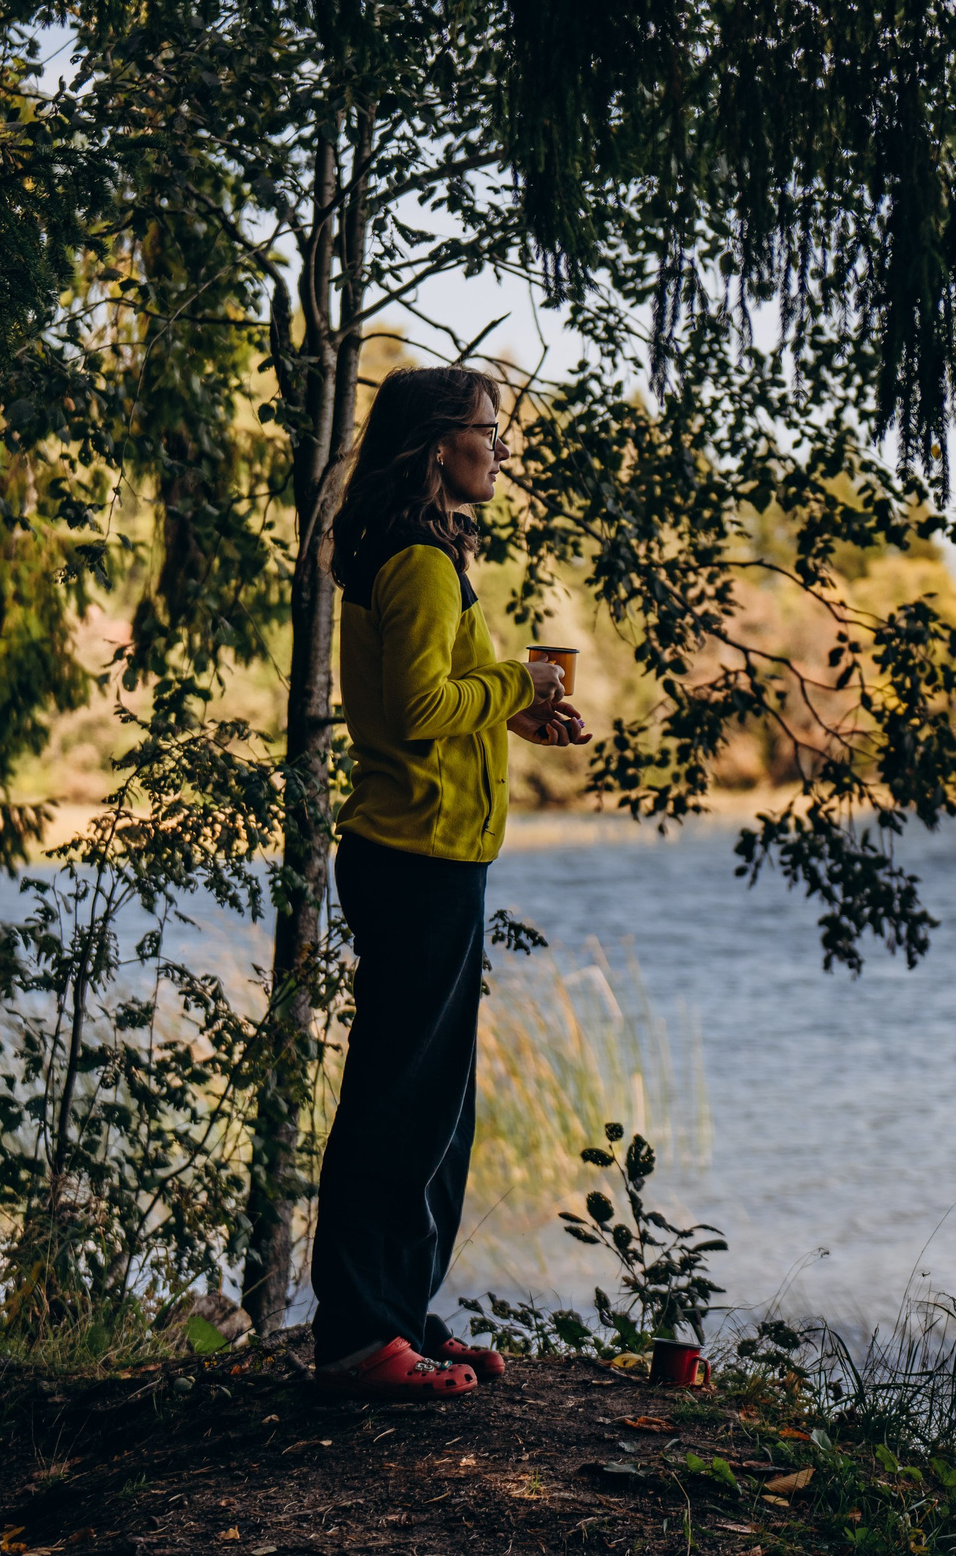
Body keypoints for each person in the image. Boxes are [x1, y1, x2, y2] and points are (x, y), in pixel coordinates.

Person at [307, 365, 588, 1400]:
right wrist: (525, 680)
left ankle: (399, 1319)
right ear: (436, 444)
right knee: (399, 1103)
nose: (498, 447)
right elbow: (425, 710)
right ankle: (357, 1338)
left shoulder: (413, 553)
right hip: (415, 858)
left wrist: (511, 713)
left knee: (433, 1107)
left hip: (430, 854)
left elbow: (417, 701)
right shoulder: (419, 559)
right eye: (486, 429)